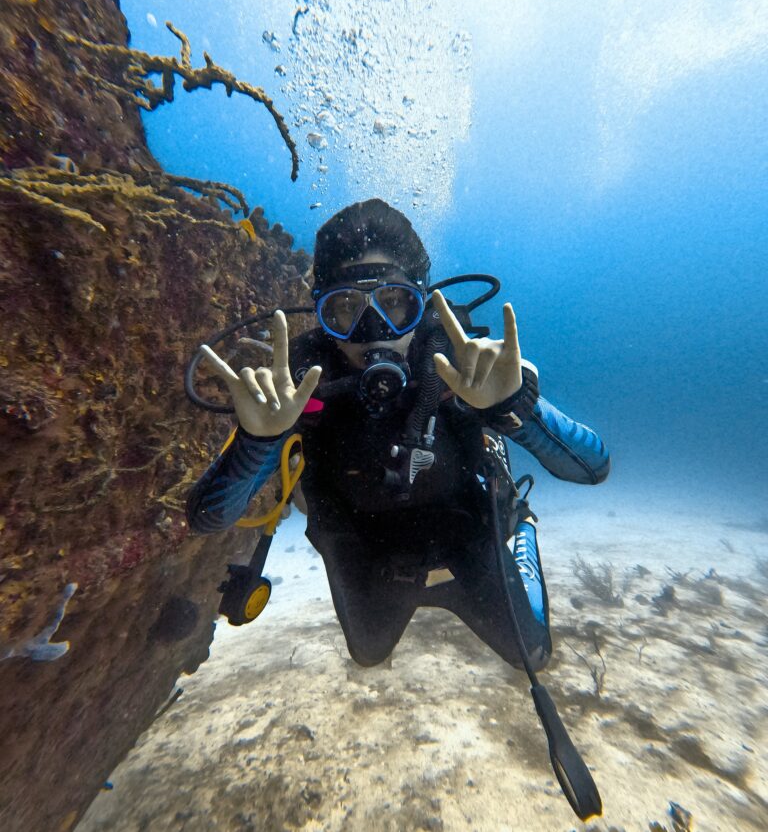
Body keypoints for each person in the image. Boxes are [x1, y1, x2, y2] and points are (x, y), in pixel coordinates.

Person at [186, 198, 610, 671]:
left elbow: (593, 468)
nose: (374, 332)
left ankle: (522, 528)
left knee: (533, 653)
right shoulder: (300, 390)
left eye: (394, 304)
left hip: (463, 526)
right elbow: (207, 519)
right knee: (368, 653)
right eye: (345, 309)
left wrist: (516, 409)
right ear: (321, 315)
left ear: (422, 301)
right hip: (361, 536)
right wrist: (257, 440)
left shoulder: (461, 369)